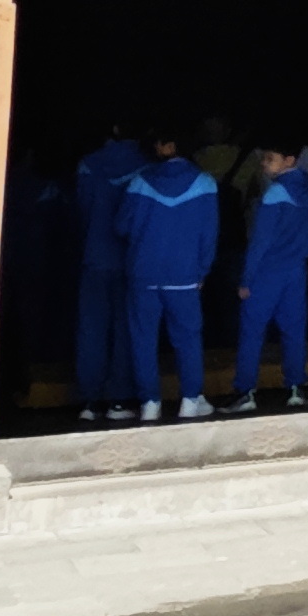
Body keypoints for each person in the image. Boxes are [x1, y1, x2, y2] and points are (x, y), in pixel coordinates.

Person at [117, 127, 222, 424]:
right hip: (185, 274)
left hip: (143, 273)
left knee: (143, 339)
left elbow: (121, 226)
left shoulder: (140, 182)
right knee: (187, 338)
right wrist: (202, 270)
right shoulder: (205, 183)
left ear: (168, 146)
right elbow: (210, 234)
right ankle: (190, 400)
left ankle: (150, 404)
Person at [221, 133, 308, 412]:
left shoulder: (275, 192)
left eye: (270, 159)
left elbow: (260, 241)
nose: (263, 163)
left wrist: (246, 279)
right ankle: (296, 388)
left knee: (252, 331)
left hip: (267, 271)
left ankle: (245, 392)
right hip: (296, 269)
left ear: (289, 160)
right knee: (294, 330)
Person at [70, 118, 143, 424]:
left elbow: (82, 212)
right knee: (125, 330)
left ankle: (89, 401)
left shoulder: (88, 165)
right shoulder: (145, 167)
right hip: (130, 261)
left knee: (92, 329)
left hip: (94, 257)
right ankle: (119, 400)